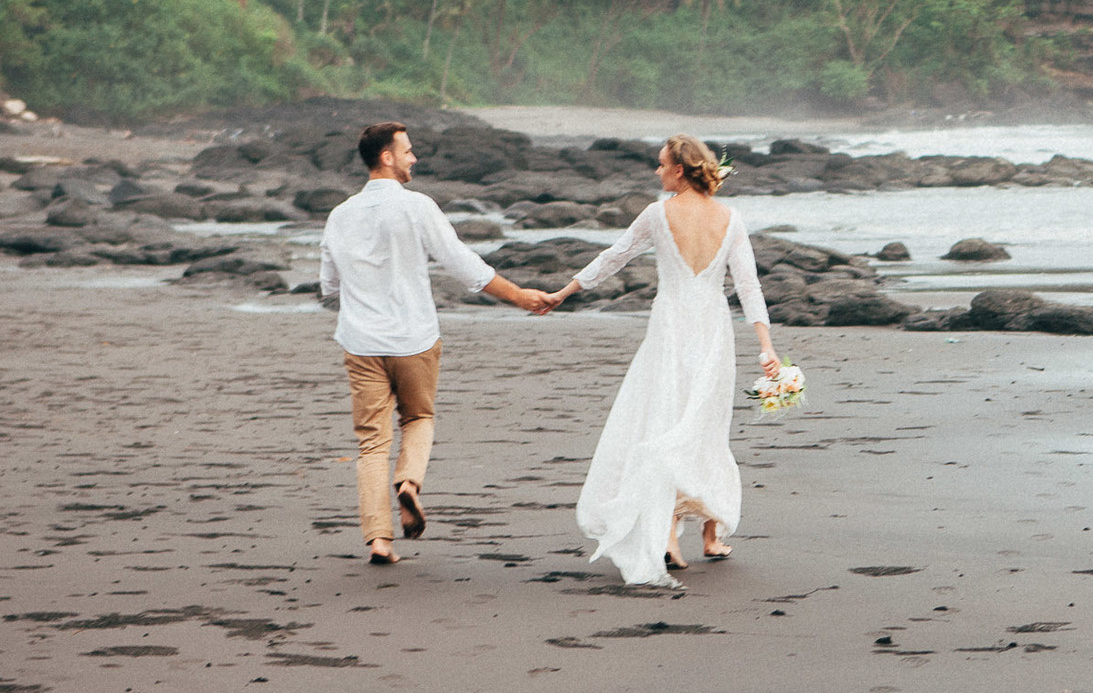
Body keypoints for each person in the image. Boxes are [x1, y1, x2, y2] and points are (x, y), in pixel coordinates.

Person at [540, 133, 780, 585]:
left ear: (680, 169)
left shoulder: (657, 214)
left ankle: (672, 533)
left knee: (668, 420)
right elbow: (749, 286)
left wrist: (564, 292)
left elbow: (615, 257)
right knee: (705, 425)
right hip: (712, 329)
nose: (656, 171)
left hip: (671, 328)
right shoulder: (730, 218)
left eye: (661, 164)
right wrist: (765, 345)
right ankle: (702, 531)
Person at [320, 120, 551, 565]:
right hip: (414, 337)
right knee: (419, 417)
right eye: (407, 151)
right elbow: (465, 266)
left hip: (362, 341)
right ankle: (409, 483)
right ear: (386, 157)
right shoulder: (418, 207)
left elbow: (329, 285)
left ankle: (379, 541)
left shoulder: (340, 214)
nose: (414, 158)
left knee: (371, 444)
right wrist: (521, 296)